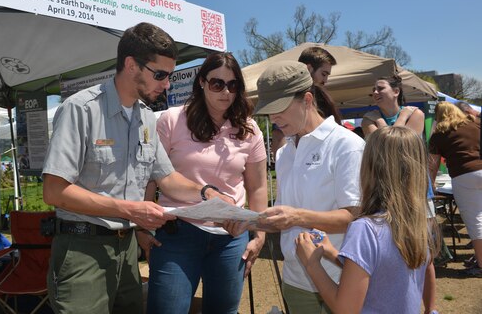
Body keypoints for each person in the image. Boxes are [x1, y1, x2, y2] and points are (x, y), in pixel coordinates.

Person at [42, 22, 233, 314]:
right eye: (160, 75)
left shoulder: (146, 118)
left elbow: (167, 178)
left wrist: (207, 193)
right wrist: (130, 210)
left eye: (169, 76)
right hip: (82, 249)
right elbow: (54, 191)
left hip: (126, 250)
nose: (167, 84)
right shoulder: (81, 109)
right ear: (131, 65)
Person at [225, 61, 364, 314]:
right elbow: (283, 216)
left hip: (339, 276)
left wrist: (297, 217)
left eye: (280, 109)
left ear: (307, 99)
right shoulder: (285, 152)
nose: (274, 118)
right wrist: (248, 222)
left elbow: (355, 217)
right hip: (294, 279)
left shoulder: (347, 145)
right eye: (269, 111)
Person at [143, 52, 268, 314]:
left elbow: (257, 187)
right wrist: (142, 227)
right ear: (201, 82)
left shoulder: (250, 129)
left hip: (231, 237)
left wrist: (259, 235)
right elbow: (150, 177)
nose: (226, 92)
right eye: (217, 84)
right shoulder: (172, 120)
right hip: (177, 233)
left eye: (233, 85)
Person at [295, 126, 439, 313]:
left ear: (370, 167)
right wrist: (332, 252)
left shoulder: (365, 229)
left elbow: (345, 309)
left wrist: (311, 264)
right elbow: (387, 273)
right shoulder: (420, 224)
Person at [361, 74, 438, 313]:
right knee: (395, 251)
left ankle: (430, 309)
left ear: (396, 91)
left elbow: (401, 147)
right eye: (373, 89)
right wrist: (398, 121)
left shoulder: (416, 114)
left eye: (380, 87)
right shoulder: (369, 119)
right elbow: (385, 146)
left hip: (416, 192)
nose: (374, 92)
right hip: (384, 193)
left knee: (424, 256)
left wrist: (386, 125)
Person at [428, 101, 482, 277]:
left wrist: (432, 185)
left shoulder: (438, 135)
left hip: (463, 176)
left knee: (475, 221)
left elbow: (432, 166)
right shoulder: (474, 124)